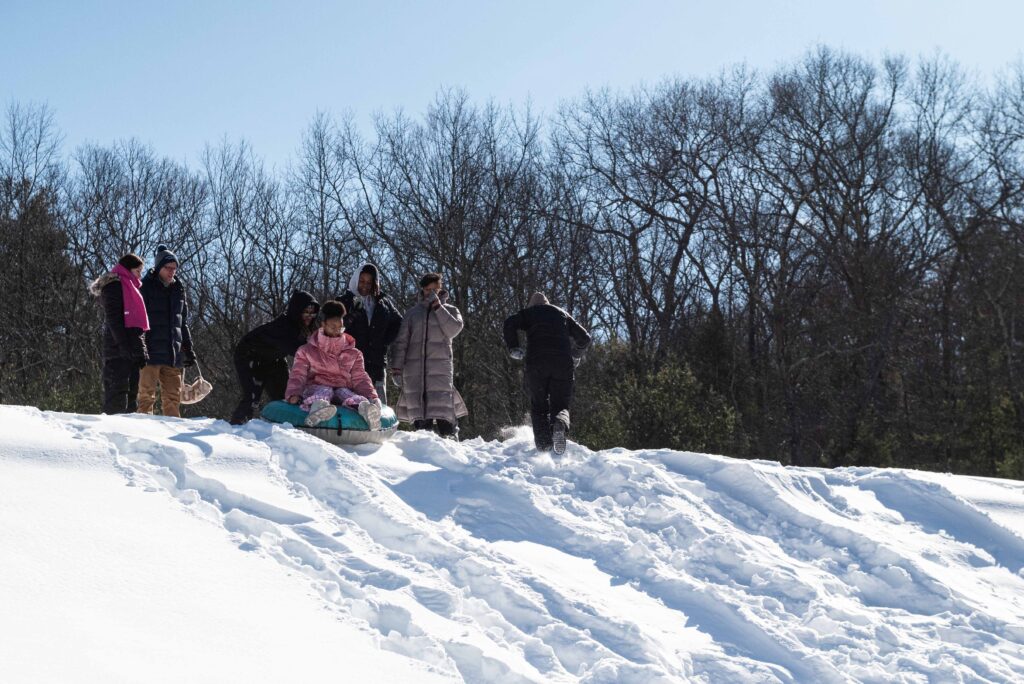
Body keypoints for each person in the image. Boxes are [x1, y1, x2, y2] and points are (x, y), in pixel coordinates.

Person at [503, 291, 591, 454]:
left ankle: (544, 446)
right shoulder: (562, 314)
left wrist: (514, 347)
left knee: (539, 405)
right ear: (548, 303)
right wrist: (575, 355)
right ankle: (559, 424)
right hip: (563, 364)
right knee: (561, 404)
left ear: (533, 305)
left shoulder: (529, 313)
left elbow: (509, 323)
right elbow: (585, 338)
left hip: (537, 364)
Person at [390, 273, 468, 438]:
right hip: (414, 373)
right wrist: (396, 368)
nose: (431, 293)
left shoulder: (451, 310)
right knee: (421, 420)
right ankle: (423, 451)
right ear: (422, 290)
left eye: (435, 289)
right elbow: (401, 343)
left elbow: (453, 330)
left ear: (441, 289)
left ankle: (452, 442)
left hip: (440, 371)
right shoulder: (412, 314)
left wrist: (438, 307)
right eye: (428, 289)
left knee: (444, 413)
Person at [285, 300, 383, 429]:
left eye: (340, 327)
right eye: (333, 327)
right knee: (325, 391)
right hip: (316, 387)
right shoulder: (306, 351)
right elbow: (298, 374)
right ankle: (317, 409)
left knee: (348, 394)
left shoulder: (353, 353)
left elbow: (360, 378)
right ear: (323, 325)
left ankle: (366, 410)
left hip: (342, 387)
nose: (337, 331)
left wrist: (371, 396)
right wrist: (293, 393)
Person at [229, 290, 319, 425]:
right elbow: (301, 352)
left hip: (273, 358)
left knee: (285, 395)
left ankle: (284, 426)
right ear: (297, 311)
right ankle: (236, 427)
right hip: (248, 355)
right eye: (306, 312)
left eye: (312, 313)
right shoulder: (284, 327)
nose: (309, 316)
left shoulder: (306, 328)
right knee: (252, 397)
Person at [138, 245, 196, 417]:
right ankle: (140, 432)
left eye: (174, 268)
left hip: (173, 353)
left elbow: (182, 322)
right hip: (150, 351)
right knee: (146, 396)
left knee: (173, 398)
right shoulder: (146, 286)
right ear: (158, 267)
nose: (172, 272)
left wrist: (188, 348)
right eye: (168, 268)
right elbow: (139, 320)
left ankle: (173, 434)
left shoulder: (179, 289)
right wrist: (138, 347)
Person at [90, 254, 150, 414]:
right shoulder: (114, 285)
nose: (140, 275)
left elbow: (138, 327)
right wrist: (123, 346)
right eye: (138, 270)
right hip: (117, 350)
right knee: (117, 395)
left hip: (130, 350)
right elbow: (114, 319)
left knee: (131, 396)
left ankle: (128, 433)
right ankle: (113, 432)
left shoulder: (131, 287)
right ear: (127, 269)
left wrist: (140, 351)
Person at [337, 262, 403, 403]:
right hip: (350, 364)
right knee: (353, 404)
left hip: (377, 363)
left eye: (369, 282)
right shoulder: (344, 301)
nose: (365, 285)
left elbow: (398, 322)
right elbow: (333, 326)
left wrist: (384, 341)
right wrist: (350, 317)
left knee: (378, 405)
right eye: (362, 281)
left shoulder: (383, 302)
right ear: (356, 280)